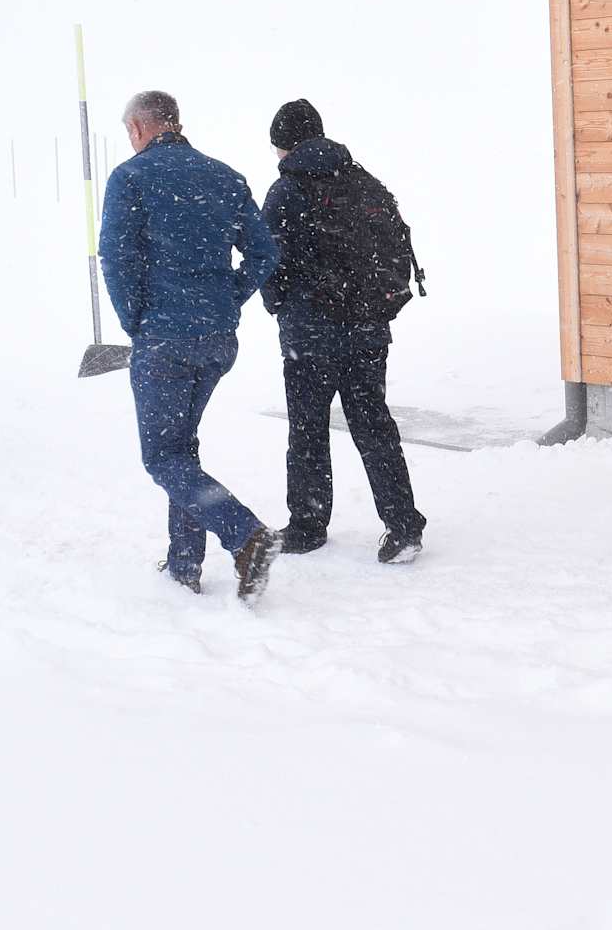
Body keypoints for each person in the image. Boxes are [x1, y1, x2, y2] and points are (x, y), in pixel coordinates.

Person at [99, 89, 281, 606]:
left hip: (165, 338)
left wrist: (136, 320)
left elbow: (115, 258)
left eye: (129, 132)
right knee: (181, 448)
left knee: (163, 457)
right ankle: (184, 563)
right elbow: (264, 252)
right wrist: (228, 298)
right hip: (217, 340)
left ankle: (246, 536)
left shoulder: (131, 178)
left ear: (139, 128)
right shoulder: (225, 177)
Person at [261, 99, 426, 564]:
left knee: (308, 431)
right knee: (374, 427)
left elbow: (268, 260)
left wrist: (282, 307)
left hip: (310, 337)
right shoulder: (363, 180)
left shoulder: (287, 190)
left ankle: (308, 525)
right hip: (368, 330)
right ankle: (403, 526)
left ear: (286, 144)